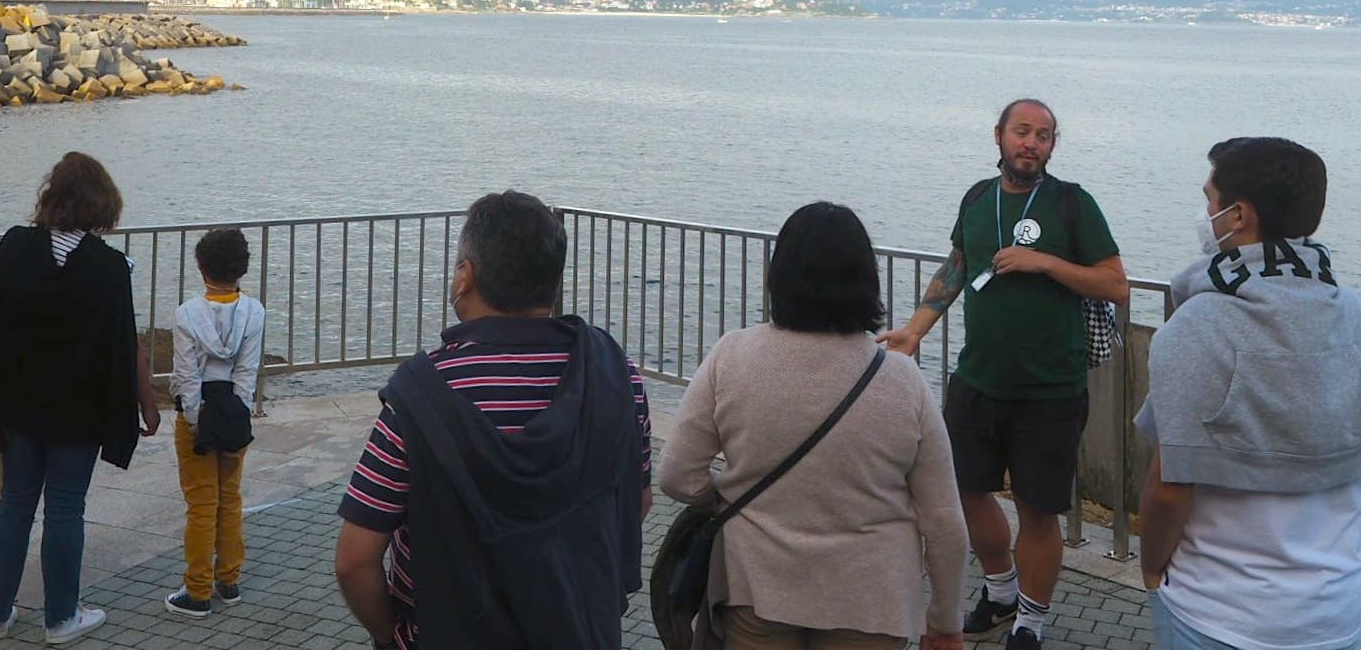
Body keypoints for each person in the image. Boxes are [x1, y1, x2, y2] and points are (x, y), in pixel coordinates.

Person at [333, 190, 652, 649]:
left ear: (466, 275)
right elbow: (634, 505)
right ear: (551, 280)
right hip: (580, 630)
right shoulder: (616, 376)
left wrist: (389, 636)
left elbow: (354, 559)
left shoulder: (421, 395)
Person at [659, 202, 968, 650]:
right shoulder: (904, 382)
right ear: (867, 279)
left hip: (755, 588)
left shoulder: (732, 357)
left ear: (779, 274)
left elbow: (676, 475)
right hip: (872, 601)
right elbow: (944, 523)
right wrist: (944, 621)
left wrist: (724, 497)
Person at [878, 100, 1128, 649]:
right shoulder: (976, 198)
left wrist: (1046, 263)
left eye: (1043, 135)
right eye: (1022, 132)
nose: (1032, 143)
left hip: (1051, 389)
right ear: (999, 136)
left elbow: (1115, 284)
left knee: (1040, 513)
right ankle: (1001, 591)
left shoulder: (1071, 203)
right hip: (978, 380)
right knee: (963, 490)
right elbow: (959, 265)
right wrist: (916, 329)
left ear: (1051, 146)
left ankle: (1031, 622)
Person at [1136, 137, 1361, 650]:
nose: (1205, 212)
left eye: (1210, 200)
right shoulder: (1353, 315)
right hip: (1337, 609)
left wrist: (1151, 570)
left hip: (1217, 612)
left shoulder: (1199, 326)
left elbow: (1170, 483)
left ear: (1239, 216)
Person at [0, 151, 160, 645]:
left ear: (50, 196)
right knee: (65, 507)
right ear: (103, 204)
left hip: (19, 401)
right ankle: (61, 618)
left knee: (15, 503)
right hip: (79, 410)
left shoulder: (15, 247)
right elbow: (125, 341)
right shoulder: (110, 268)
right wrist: (146, 403)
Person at [164, 228, 266, 619]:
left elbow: (186, 376)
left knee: (201, 503)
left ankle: (197, 589)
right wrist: (238, 416)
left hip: (199, 413)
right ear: (242, 268)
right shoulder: (253, 312)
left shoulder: (187, 314)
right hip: (233, 412)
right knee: (231, 498)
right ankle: (228, 578)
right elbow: (247, 370)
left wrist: (194, 421)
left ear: (201, 267)